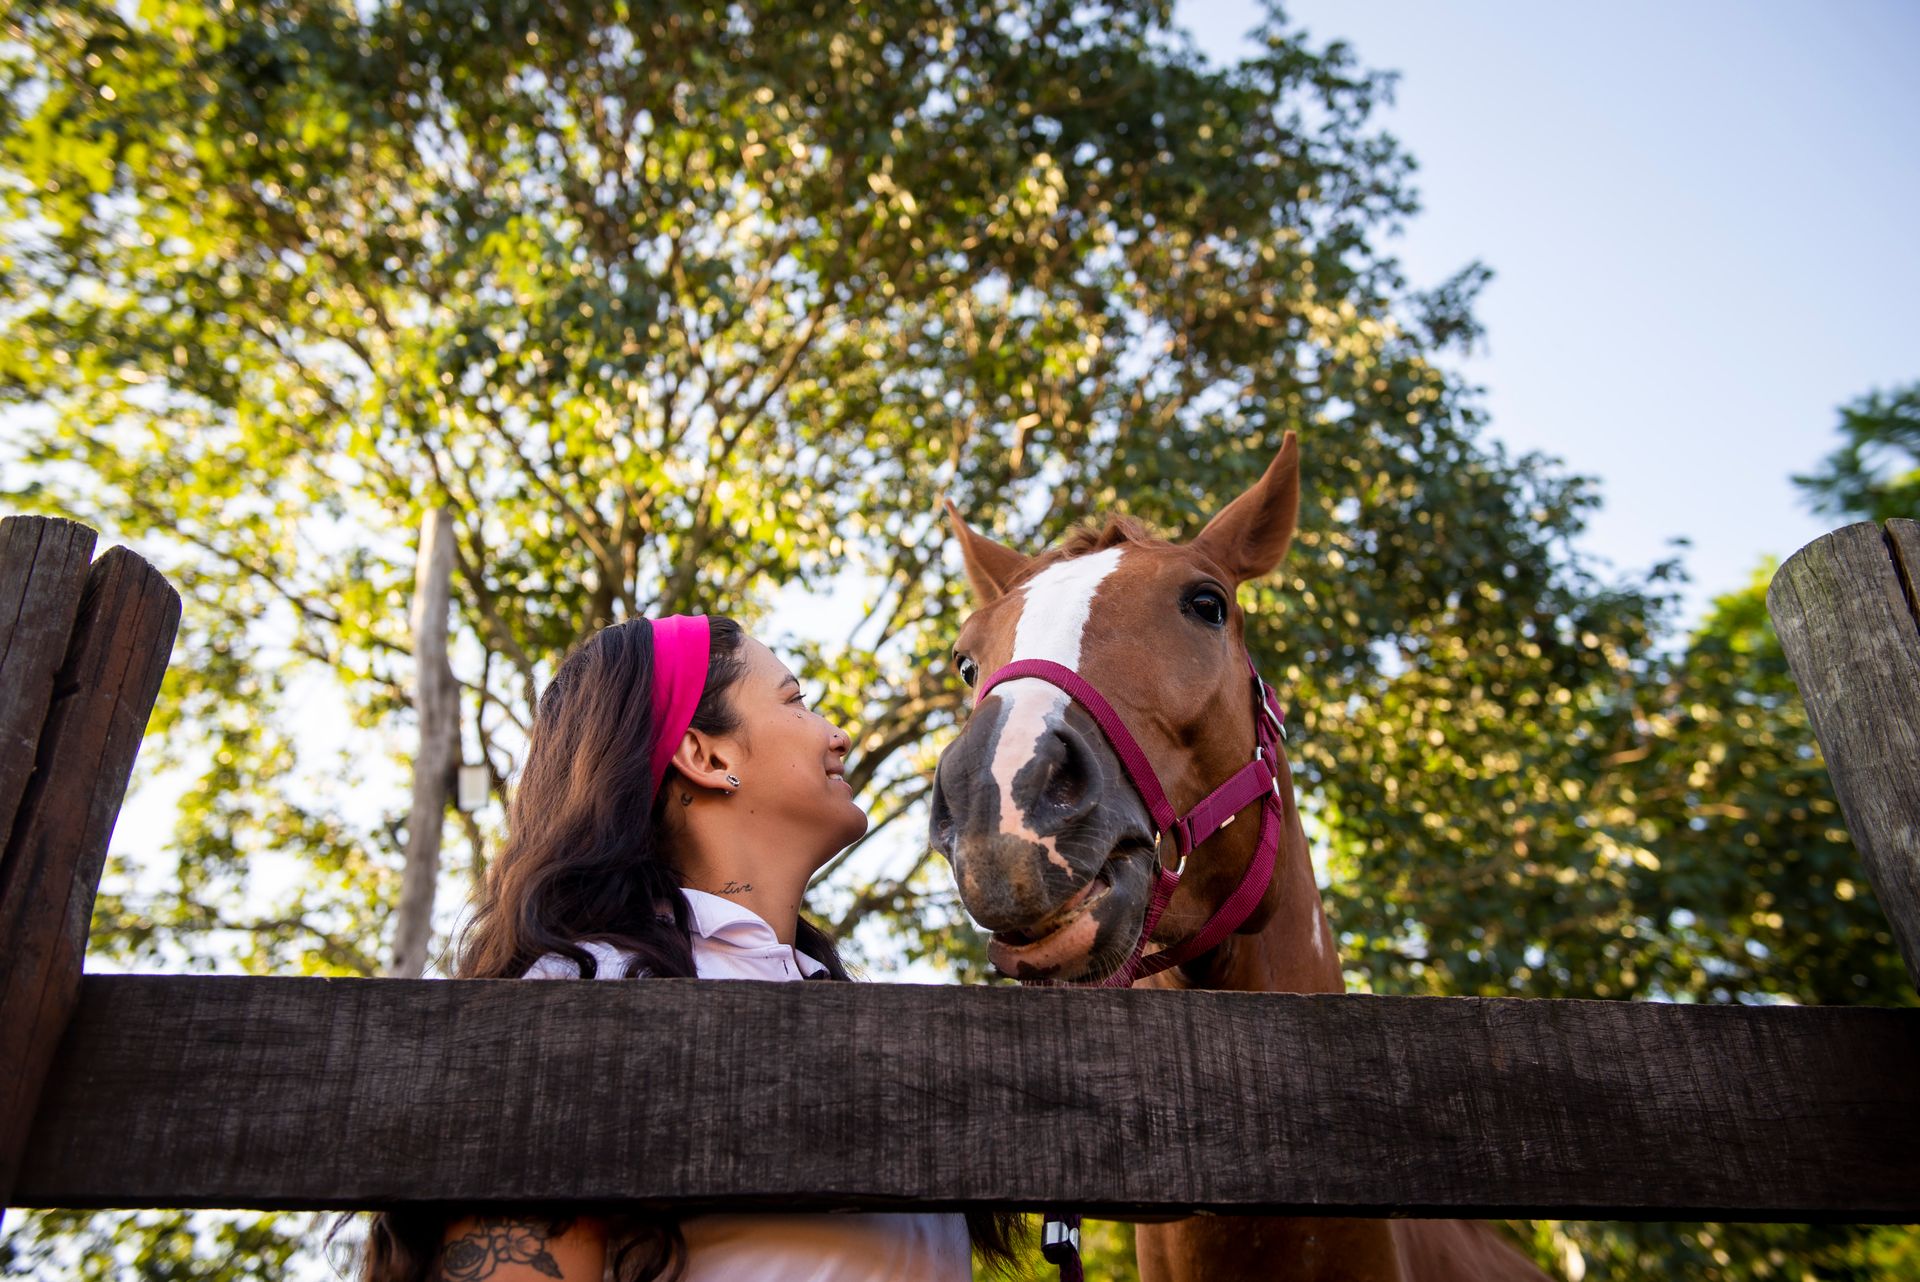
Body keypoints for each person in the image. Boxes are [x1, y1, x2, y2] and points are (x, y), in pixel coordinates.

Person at [346, 614, 1023, 1281]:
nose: (837, 734)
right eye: (797, 701)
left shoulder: (842, 1005)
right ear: (708, 756)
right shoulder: (580, 998)